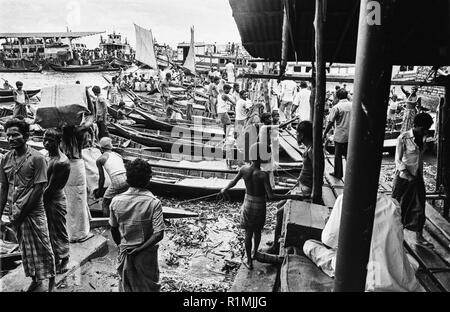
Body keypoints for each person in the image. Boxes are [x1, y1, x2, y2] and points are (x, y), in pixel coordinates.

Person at [220, 142, 303, 270]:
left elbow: (233, 182)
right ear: (262, 157)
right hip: (259, 205)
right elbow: (271, 196)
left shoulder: (243, 170)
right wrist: (290, 196)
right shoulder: (263, 175)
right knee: (257, 231)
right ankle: (254, 252)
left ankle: (249, 260)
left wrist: (225, 188)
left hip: (247, 204)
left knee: (248, 233)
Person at [0, 118, 55, 292]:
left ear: (26, 136)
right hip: (15, 210)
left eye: (15, 135)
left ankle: (51, 282)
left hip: (34, 211)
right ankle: (36, 279)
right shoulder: (5, 159)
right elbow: (4, 187)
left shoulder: (37, 158)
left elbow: (39, 189)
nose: (10, 139)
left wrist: (23, 213)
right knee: (25, 249)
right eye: (8, 135)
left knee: (43, 247)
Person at [110, 159, 165, 292]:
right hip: (146, 255)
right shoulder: (153, 203)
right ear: (148, 180)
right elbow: (158, 234)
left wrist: (121, 245)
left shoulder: (116, 201)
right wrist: (139, 249)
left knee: (126, 284)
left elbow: (114, 228)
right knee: (148, 287)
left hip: (125, 251)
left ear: (127, 179)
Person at [265, 121, 317, 255]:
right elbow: (305, 170)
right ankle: (278, 238)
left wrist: (311, 194)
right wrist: (296, 183)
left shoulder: (312, 150)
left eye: (297, 133)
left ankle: (276, 247)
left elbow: (317, 173)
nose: (296, 136)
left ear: (302, 135)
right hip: (301, 185)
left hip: (306, 190)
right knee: (279, 205)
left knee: (280, 212)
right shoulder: (308, 148)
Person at [392, 113, 434, 247]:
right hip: (404, 178)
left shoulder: (423, 137)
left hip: (417, 177)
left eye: (427, 129)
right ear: (415, 126)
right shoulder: (403, 138)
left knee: (420, 207)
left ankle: (419, 236)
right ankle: (394, 235)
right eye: (423, 129)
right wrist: (407, 174)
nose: (425, 131)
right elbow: (398, 160)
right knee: (398, 207)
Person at [42, 128, 71, 274]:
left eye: (50, 141)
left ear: (58, 142)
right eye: (44, 139)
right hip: (45, 197)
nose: (46, 143)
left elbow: (50, 189)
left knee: (58, 229)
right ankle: (54, 257)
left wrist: (36, 201)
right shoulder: (46, 156)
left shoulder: (61, 162)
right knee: (48, 229)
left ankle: (64, 257)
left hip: (54, 199)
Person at [95, 137, 129, 217]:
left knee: (105, 203)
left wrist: (99, 192)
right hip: (127, 178)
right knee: (122, 199)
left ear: (101, 148)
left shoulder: (100, 159)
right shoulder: (118, 155)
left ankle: (107, 223)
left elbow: (102, 178)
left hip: (117, 180)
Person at [323, 88, 352, 179]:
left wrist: (325, 133)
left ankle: (338, 173)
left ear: (337, 96)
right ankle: (351, 174)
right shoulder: (353, 105)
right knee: (349, 155)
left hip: (340, 134)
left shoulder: (336, 107)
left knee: (338, 155)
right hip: (351, 135)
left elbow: (331, 122)